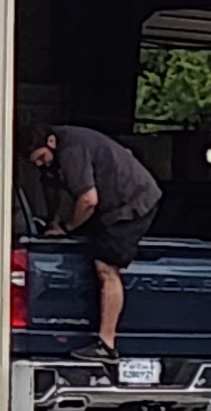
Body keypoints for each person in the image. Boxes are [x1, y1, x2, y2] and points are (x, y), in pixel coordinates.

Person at [23, 118, 164, 357]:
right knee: (90, 248)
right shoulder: (56, 159)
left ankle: (106, 344)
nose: (39, 164)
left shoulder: (71, 149)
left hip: (132, 203)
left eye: (41, 157)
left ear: (51, 142)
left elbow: (88, 200)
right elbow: (62, 194)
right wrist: (54, 223)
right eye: (35, 161)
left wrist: (67, 228)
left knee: (106, 266)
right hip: (109, 207)